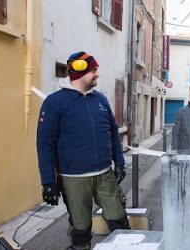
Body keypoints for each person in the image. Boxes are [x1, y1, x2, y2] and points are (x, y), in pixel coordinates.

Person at [36, 51, 130, 250]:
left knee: (120, 222)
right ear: (79, 72)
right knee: (81, 230)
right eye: (94, 70)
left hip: (105, 175)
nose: (97, 74)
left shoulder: (101, 100)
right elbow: (45, 144)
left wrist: (119, 161)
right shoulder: (54, 103)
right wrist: (48, 182)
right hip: (73, 178)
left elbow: (113, 132)